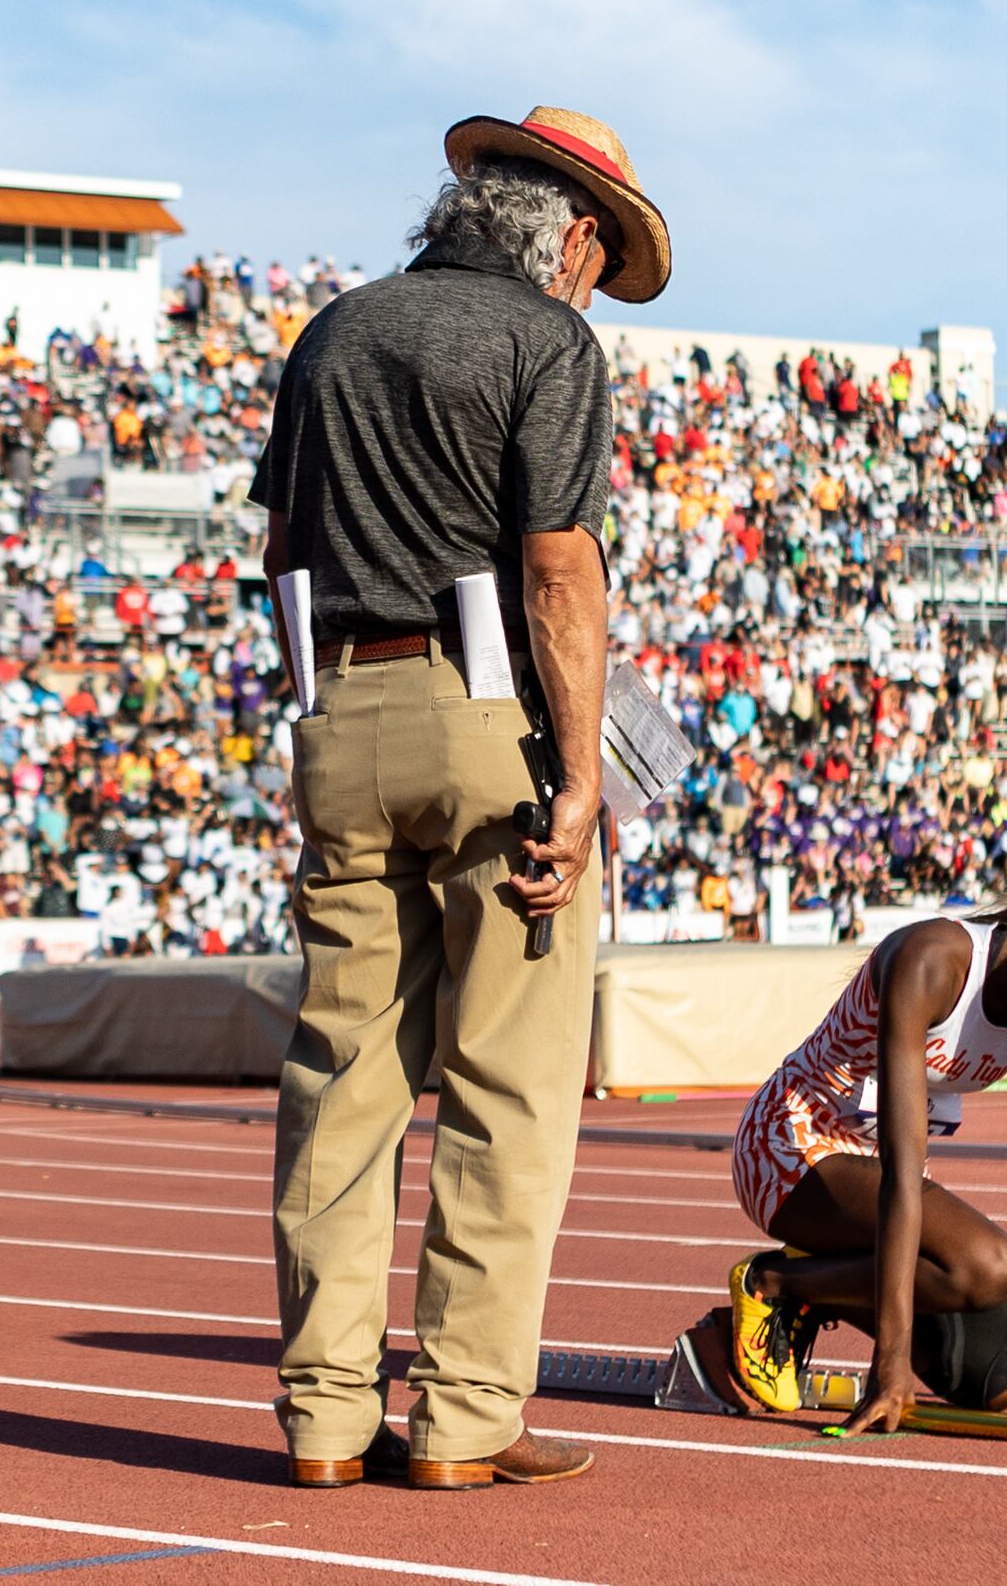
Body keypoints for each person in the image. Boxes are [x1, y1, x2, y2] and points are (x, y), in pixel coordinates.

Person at [249, 105, 670, 1491]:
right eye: (602, 264)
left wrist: (321, 714)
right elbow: (559, 570)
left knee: (340, 1079)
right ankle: (469, 1419)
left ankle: (321, 1418)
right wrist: (578, 775)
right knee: (507, 1080)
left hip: (338, 714)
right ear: (575, 234)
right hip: (484, 711)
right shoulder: (548, 343)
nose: (596, 288)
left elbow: (276, 548)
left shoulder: (333, 332)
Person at [695, 892, 1007, 1432]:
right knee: (990, 1264)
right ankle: (771, 1283)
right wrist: (891, 1364)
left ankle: (811, 1286)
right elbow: (904, 1177)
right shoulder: (933, 961)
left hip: (875, 1176)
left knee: (998, 1382)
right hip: (791, 1149)